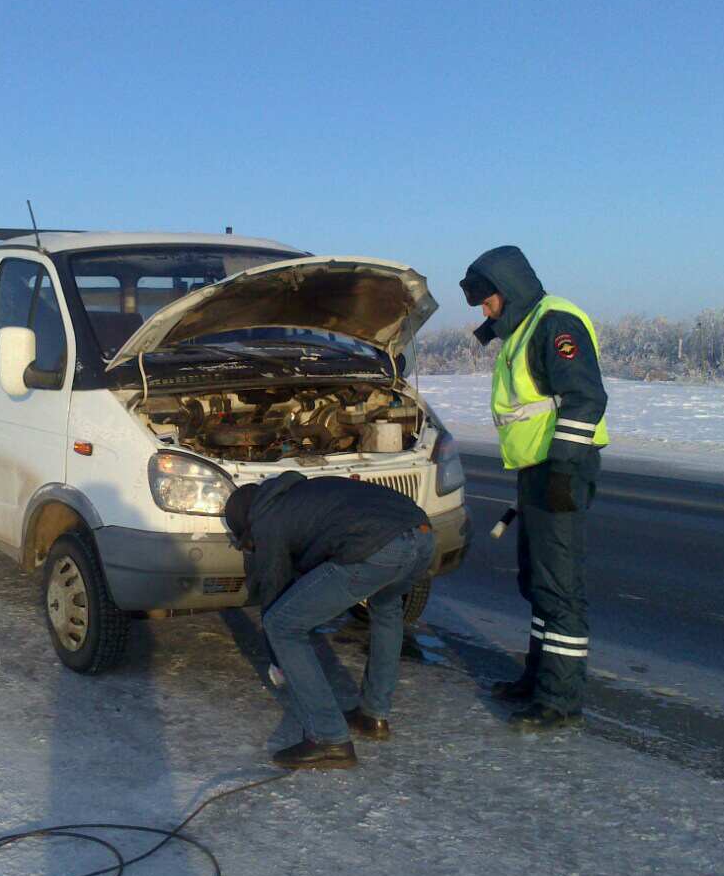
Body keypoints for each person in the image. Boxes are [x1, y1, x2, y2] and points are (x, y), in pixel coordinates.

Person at [459, 245, 609, 731]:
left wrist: (563, 470)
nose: (484, 310)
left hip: (561, 468)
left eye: (487, 300)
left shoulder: (553, 322)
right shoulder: (522, 329)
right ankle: (538, 679)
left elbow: (585, 397)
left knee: (560, 589)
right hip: (538, 470)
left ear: (506, 290)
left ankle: (559, 702)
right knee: (539, 583)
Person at [224, 471, 434, 769]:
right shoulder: (302, 491)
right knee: (386, 610)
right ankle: (374, 715)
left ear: (246, 523)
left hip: (377, 547)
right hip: (423, 535)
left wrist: (278, 661)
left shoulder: (265, 521)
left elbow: (274, 590)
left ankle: (329, 739)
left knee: (282, 626)